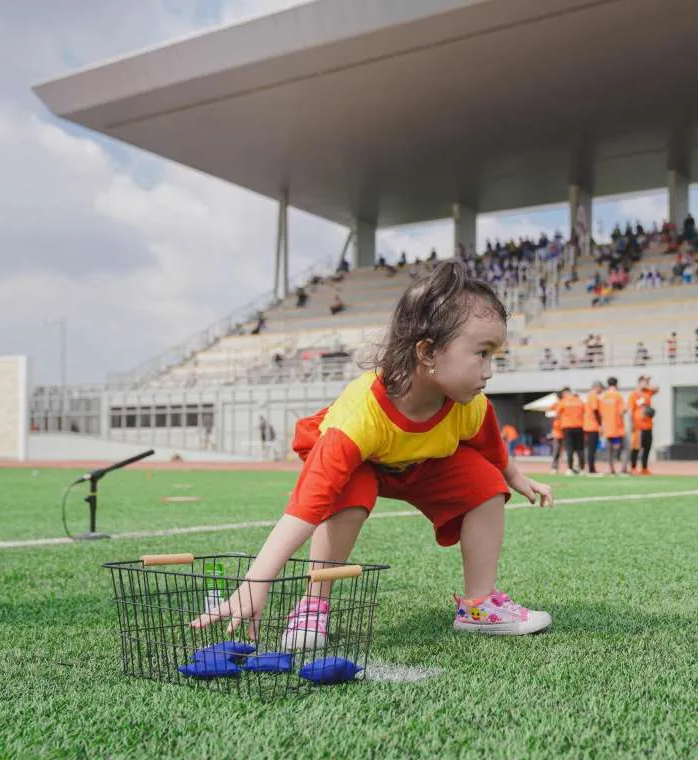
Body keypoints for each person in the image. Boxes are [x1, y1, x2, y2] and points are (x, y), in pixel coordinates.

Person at [191, 263, 553, 642]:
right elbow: (307, 505)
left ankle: (478, 606)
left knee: (484, 481)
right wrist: (256, 580)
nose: (490, 371)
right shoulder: (361, 413)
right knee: (349, 490)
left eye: (494, 355)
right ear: (427, 352)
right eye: (481, 353)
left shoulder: (470, 405)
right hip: (362, 463)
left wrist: (515, 477)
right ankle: (313, 605)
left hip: (417, 464)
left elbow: (490, 447)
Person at [627, 375, 659, 475]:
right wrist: (632, 424)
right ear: (639, 382)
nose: (646, 383)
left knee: (647, 448)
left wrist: (648, 383)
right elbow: (630, 410)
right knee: (636, 448)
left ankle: (644, 468)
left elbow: (657, 389)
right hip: (638, 426)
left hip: (648, 425)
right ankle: (633, 468)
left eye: (647, 382)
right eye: (644, 382)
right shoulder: (634, 394)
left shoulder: (647, 392)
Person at [599, 377, 627, 475]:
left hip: (608, 427)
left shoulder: (604, 396)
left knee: (609, 449)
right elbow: (622, 410)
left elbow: (601, 412)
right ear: (616, 384)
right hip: (618, 427)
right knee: (624, 448)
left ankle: (611, 469)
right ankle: (623, 469)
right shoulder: (618, 396)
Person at [556, 387, 586, 475]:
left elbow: (557, 414)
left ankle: (570, 469)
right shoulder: (579, 401)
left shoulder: (563, 401)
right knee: (580, 449)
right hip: (579, 426)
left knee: (569, 449)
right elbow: (585, 412)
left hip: (567, 427)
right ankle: (582, 469)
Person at [583, 381, 603, 475]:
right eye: (601, 388)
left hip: (589, 425)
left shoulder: (590, 396)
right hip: (592, 425)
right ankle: (591, 469)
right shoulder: (594, 395)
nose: (601, 390)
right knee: (592, 449)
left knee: (591, 448)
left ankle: (591, 468)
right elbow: (595, 410)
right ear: (597, 387)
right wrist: (600, 424)